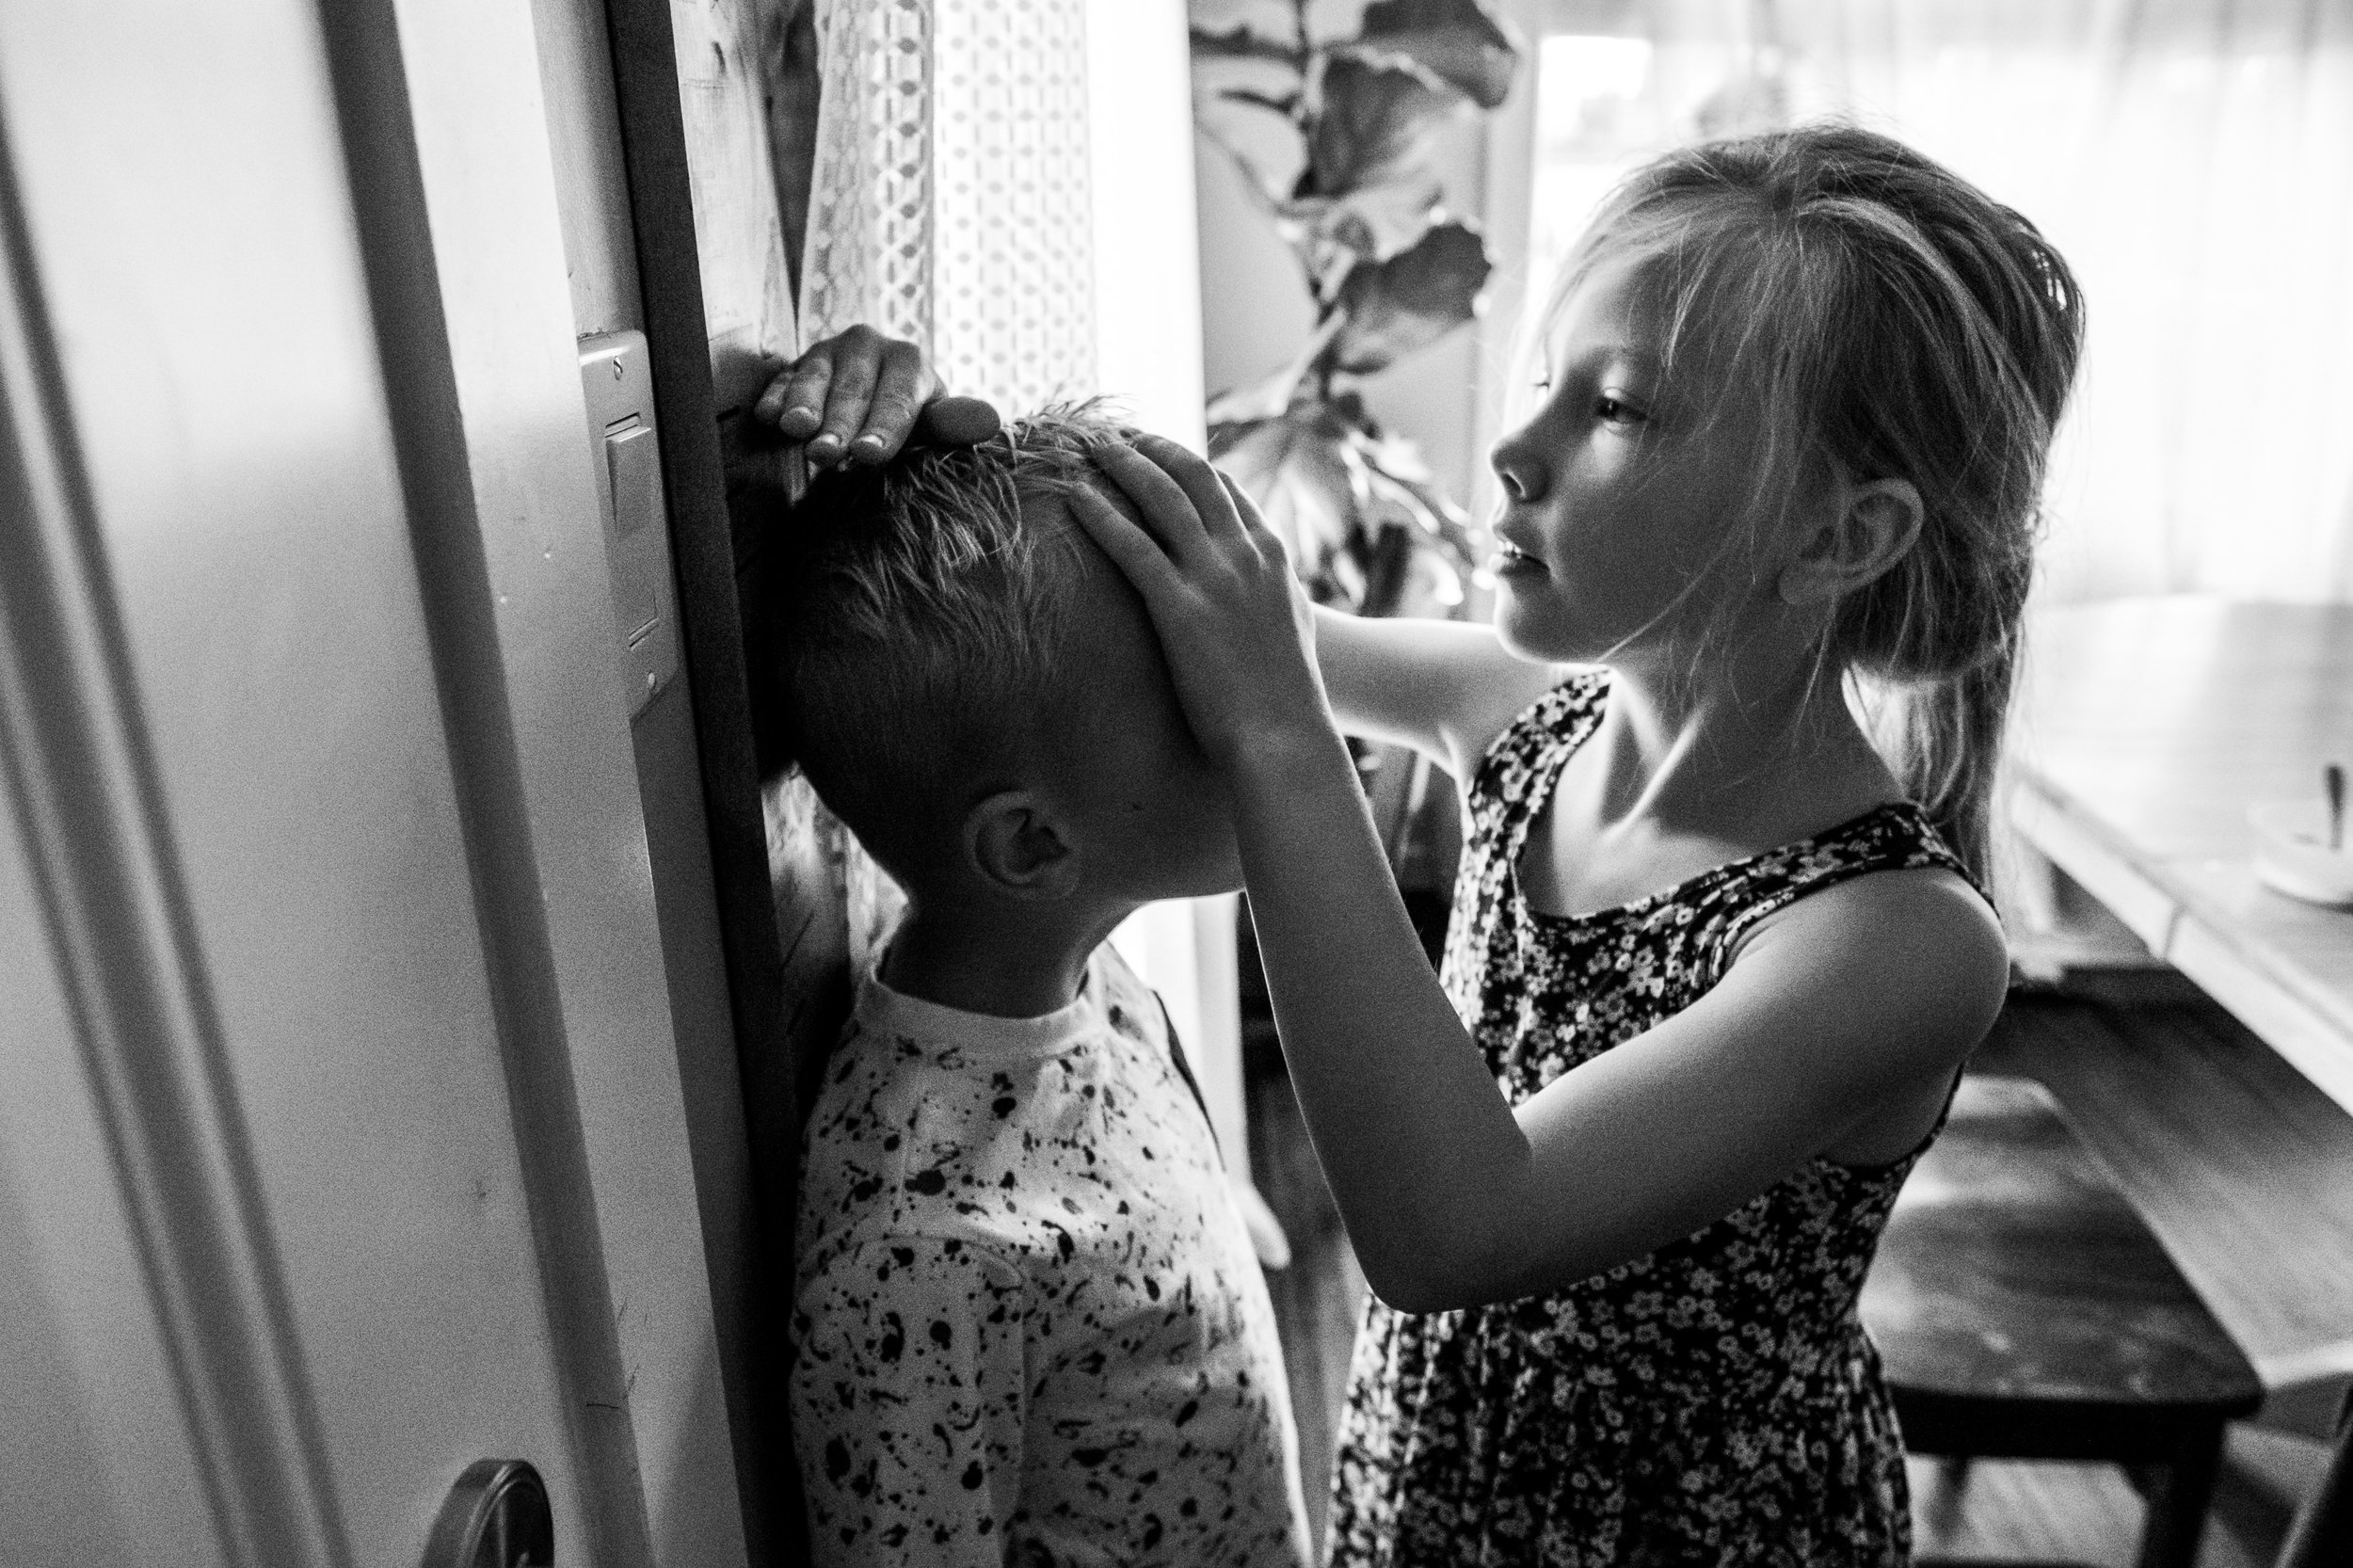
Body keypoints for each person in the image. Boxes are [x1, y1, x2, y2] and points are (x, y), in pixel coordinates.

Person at [1055, 122, 2086, 1564]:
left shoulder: (1894, 944)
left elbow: (1453, 1227)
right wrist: (980, 444)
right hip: (1440, 1464)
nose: (1510, 446)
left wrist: (1286, 744)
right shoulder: (1522, 713)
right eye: (1547, 379)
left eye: (1617, 411)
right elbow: (1205, 605)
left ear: (1840, 536)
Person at [754, 403, 1313, 1568]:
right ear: (1030, 846)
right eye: (1210, 698)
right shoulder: (921, 1254)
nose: (1274, 714)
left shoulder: (1069, 955)